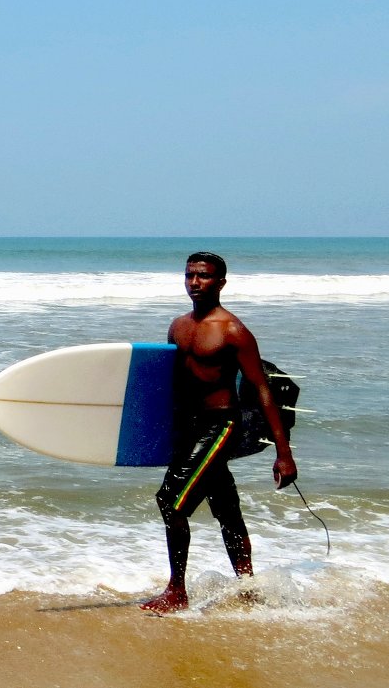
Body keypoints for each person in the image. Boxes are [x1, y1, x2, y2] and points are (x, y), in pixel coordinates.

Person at [140, 252, 298, 614]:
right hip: (187, 427)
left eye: (204, 276)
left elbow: (261, 389)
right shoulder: (178, 326)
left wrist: (283, 452)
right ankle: (249, 586)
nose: (195, 282)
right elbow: (172, 383)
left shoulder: (232, 331)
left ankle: (176, 591)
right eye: (189, 275)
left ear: (221, 282)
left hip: (220, 425)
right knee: (226, 509)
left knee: (171, 501)